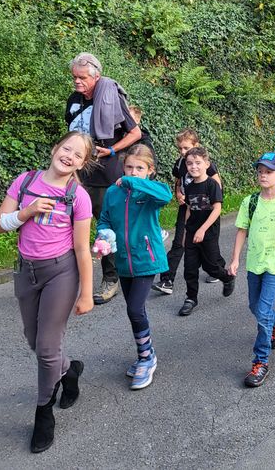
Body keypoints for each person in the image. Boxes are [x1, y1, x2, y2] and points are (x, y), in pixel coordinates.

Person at [0, 132, 95, 454]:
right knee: (34, 342)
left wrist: (87, 293)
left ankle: (43, 413)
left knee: (47, 348)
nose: (69, 156)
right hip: (26, 271)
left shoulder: (78, 197)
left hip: (61, 272)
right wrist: (27, 212)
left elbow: (82, 248)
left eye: (77, 155)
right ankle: (69, 371)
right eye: (66, 148)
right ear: (55, 148)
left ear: (82, 164)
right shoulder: (25, 182)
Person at [65, 52, 142, 305]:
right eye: (75, 77)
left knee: (105, 228)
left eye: (83, 78)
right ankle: (67, 277)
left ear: (96, 76)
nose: (77, 81)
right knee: (69, 224)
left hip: (104, 175)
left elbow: (135, 133)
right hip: (75, 173)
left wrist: (111, 150)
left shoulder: (111, 98)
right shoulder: (73, 100)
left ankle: (111, 279)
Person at [96, 144, 172, 390]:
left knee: (135, 309)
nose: (133, 172)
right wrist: (104, 235)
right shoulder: (112, 192)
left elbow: (166, 196)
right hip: (123, 260)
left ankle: (146, 358)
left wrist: (133, 182)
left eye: (140, 168)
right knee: (134, 310)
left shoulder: (150, 191)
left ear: (150, 170)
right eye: (129, 167)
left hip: (146, 259)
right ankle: (146, 353)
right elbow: (105, 219)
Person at [227, 153, 275, 387]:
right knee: (255, 307)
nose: (263, 175)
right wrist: (235, 259)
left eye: (268, 172)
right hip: (254, 263)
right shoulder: (249, 202)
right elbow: (242, 230)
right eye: (260, 171)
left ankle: (261, 362)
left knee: (261, 312)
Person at [155, 129, 222, 293]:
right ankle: (167, 280)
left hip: (205, 209)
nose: (183, 152)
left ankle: (218, 268)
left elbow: (217, 185)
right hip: (186, 208)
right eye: (180, 148)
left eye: (186, 148)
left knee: (208, 244)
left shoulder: (204, 164)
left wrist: (210, 203)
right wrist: (178, 193)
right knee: (179, 242)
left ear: (196, 145)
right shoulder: (180, 163)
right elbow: (179, 181)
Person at [176, 147, 236, 316]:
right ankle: (191, 299)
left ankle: (227, 278)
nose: (193, 166)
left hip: (208, 233)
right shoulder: (189, 187)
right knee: (190, 268)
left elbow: (217, 209)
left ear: (207, 164)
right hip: (192, 232)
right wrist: (185, 233)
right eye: (189, 163)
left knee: (211, 267)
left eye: (198, 163)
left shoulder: (212, 184)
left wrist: (202, 230)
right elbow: (189, 209)